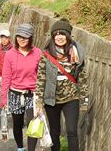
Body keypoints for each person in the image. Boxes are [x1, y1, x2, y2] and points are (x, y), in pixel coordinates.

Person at [35, 18, 88, 151]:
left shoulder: (76, 53)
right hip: (51, 99)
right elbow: (41, 79)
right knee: (54, 131)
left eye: (62, 34)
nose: (59, 37)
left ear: (68, 36)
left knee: (71, 131)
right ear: (53, 36)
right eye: (57, 34)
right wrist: (39, 101)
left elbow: (82, 78)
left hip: (71, 98)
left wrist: (84, 100)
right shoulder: (46, 55)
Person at [0, 24, 42, 151]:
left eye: (25, 37)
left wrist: (40, 96)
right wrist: (3, 98)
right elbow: (6, 77)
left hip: (32, 94)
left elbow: (41, 76)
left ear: (31, 38)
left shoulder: (37, 53)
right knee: (17, 124)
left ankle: (31, 149)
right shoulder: (10, 54)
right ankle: (20, 147)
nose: (22, 39)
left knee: (32, 123)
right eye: (19, 36)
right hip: (15, 93)